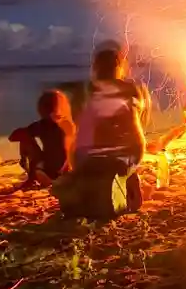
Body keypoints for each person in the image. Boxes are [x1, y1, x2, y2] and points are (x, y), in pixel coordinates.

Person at [52, 41, 148, 218]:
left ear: (95, 68)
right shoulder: (133, 89)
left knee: (75, 139)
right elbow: (140, 119)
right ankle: (129, 176)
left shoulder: (83, 91)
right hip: (130, 153)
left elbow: (77, 125)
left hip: (87, 159)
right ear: (119, 67)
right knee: (129, 141)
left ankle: (82, 181)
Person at [9, 90, 75, 188]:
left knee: (25, 139)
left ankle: (31, 178)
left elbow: (12, 137)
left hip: (45, 173)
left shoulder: (42, 125)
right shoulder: (69, 124)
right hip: (66, 173)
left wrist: (27, 134)